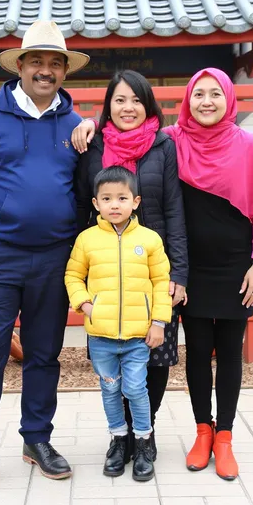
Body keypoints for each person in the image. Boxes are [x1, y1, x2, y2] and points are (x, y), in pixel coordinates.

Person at [72, 67, 253, 481]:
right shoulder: (171, 140)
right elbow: (100, 171)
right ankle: (188, 432)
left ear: (228, 98)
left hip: (215, 266)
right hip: (161, 268)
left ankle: (219, 437)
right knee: (190, 354)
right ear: (186, 101)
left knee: (213, 354)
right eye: (198, 94)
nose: (206, 102)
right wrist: (83, 122)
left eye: (215, 94)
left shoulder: (237, 145)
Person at [0, 20, 90, 497]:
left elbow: (91, 186)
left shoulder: (75, 126)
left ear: (64, 71)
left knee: (45, 355)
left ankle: (37, 440)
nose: (45, 70)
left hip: (54, 258)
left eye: (54, 63)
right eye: (37, 62)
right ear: (20, 66)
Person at [73, 70, 188, 460]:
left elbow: (175, 210)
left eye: (136, 100)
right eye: (119, 100)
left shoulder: (163, 145)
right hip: (105, 268)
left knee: (154, 358)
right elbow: (79, 205)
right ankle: (118, 436)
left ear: (148, 104)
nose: (128, 108)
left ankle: (145, 433)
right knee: (110, 361)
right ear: (107, 105)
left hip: (152, 271)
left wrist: (180, 274)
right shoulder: (91, 144)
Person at [65, 166, 172, 481]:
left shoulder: (149, 240)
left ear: (135, 201)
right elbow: (73, 274)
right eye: (107, 198)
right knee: (110, 390)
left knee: (136, 389)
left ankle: (142, 442)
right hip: (101, 336)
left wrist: (159, 323)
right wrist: (84, 302)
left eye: (122, 198)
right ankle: (118, 440)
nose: (115, 204)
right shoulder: (87, 240)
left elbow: (160, 281)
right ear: (96, 203)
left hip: (139, 335)